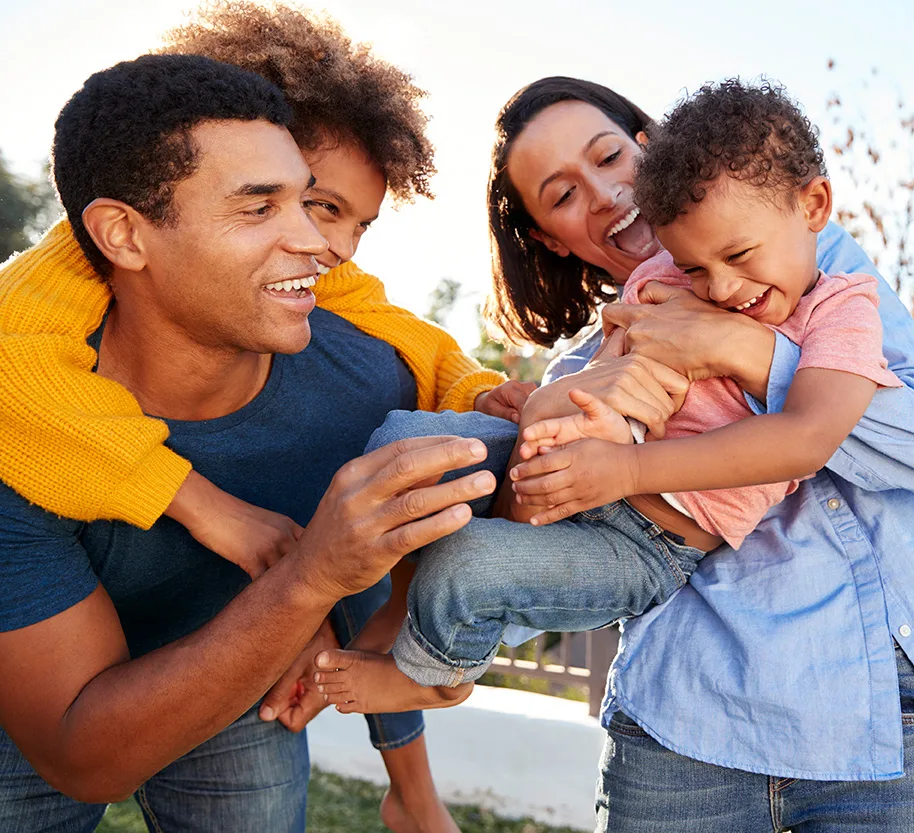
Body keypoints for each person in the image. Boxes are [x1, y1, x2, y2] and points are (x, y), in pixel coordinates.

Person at [337, 75, 914, 832]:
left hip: (879, 708)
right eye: (563, 195)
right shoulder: (616, 328)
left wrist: (743, 347)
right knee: (408, 453)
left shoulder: (825, 275)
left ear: (649, 145)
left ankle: (413, 678)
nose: (605, 194)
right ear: (547, 235)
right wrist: (569, 409)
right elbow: (532, 530)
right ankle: (387, 654)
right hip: (684, 714)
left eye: (609, 157)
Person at [0, 6, 530, 831]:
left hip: (231, 649)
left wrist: (417, 647)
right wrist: (257, 540)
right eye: (264, 206)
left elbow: (414, 350)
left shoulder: (351, 351)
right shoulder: (26, 361)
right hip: (28, 690)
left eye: (313, 207)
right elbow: (81, 754)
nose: (327, 247)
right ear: (123, 235)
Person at [308, 80, 906, 714]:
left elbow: (807, 439)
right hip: (593, 469)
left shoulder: (841, 308)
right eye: (697, 267)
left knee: (471, 561)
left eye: (735, 255)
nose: (722, 286)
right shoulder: (662, 274)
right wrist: (566, 424)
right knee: (404, 441)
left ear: (814, 205)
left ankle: (438, 675)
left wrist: (627, 467)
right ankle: (333, 589)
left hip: (648, 541)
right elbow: (606, 373)